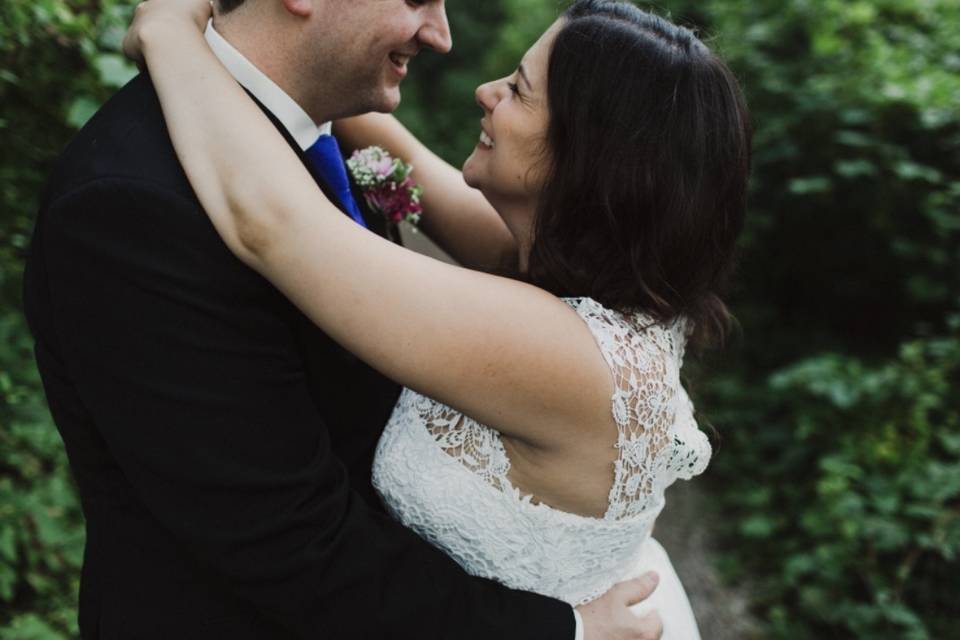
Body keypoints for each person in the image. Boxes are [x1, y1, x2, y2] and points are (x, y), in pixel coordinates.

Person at [23, 0, 666, 637]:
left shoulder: (314, 148)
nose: (442, 37)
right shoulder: (132, 204)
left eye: (521, 92)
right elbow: (282, 538)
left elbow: (278, 225)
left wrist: (171, 31)